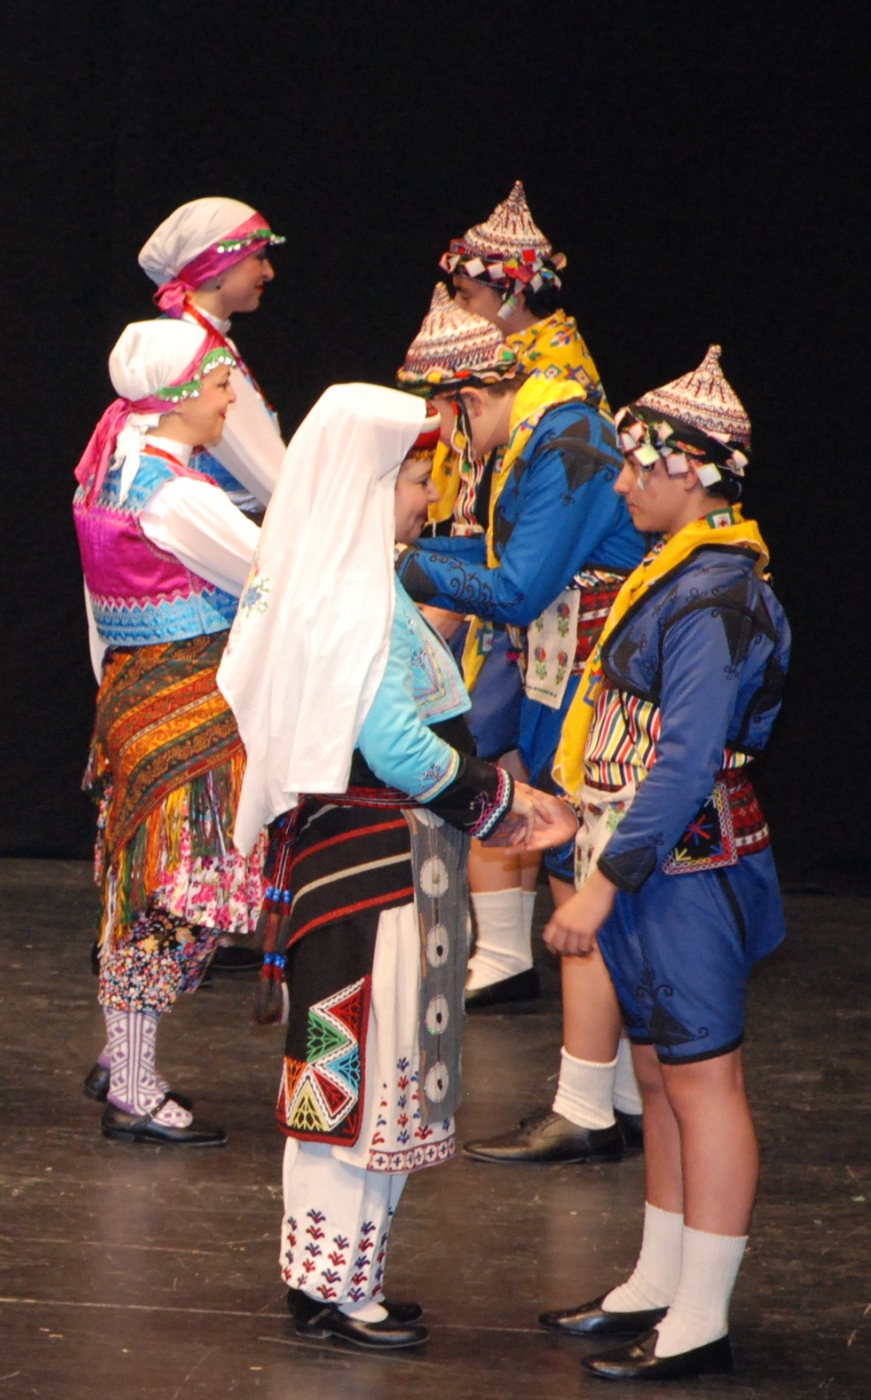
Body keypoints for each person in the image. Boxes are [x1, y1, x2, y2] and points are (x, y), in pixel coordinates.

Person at [221, 382, 578, 1350]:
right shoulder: (354, 596)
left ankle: (332, 1277)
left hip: (362, 864)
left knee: (342, 1071)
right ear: (371, 484)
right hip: (375, 872)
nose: (429, 497)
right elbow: (399, 748)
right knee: (360, 1072)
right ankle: (338, 1288)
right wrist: (507, 806)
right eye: (417, 479)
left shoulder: (338, 579)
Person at [536, 348, 784, 1382]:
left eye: (640, 466)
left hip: (685, 869)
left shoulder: (718, 593)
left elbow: (683, 760)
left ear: (693, 473)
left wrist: (600, 884)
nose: (624, 484)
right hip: (650, 860)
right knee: (657, 1071)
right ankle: (658, 1276)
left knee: (703, 1078)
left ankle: (702, 1316)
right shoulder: (678, 573)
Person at [395, 283, 650, 1167]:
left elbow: (514, 587)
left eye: (440, 423)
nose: (443, 447)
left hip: (596, 682)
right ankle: (614, 1096)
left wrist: (402, 563)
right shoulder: (541, 433)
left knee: (581, 879)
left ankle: (588, 1104)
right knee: (576, 874)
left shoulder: (568, 439)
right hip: (563, 672)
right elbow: (498, 558)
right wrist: (400, 555)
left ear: (468, 400)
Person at [71, 318, 262, 1148]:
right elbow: (270, 575)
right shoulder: (177, 496)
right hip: (186, 711)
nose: (228, 400)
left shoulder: (110, 476)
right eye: (219, 385)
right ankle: (133, 1085)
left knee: (162, 892)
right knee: (178, 897)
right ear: (179, 396)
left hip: (135, 698)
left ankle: (123, 1057)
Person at [138, 196, 288, 517]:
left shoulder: (209, 340)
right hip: (216, 526)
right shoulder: (190, 352)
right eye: (259, 258)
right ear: (220, 268)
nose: (269, 272)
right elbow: (265, 472)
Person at [441, 181, 602, 409]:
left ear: (516, 299)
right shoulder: (510, 346)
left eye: (466, 297)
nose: (456, 305)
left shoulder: (554, 370)